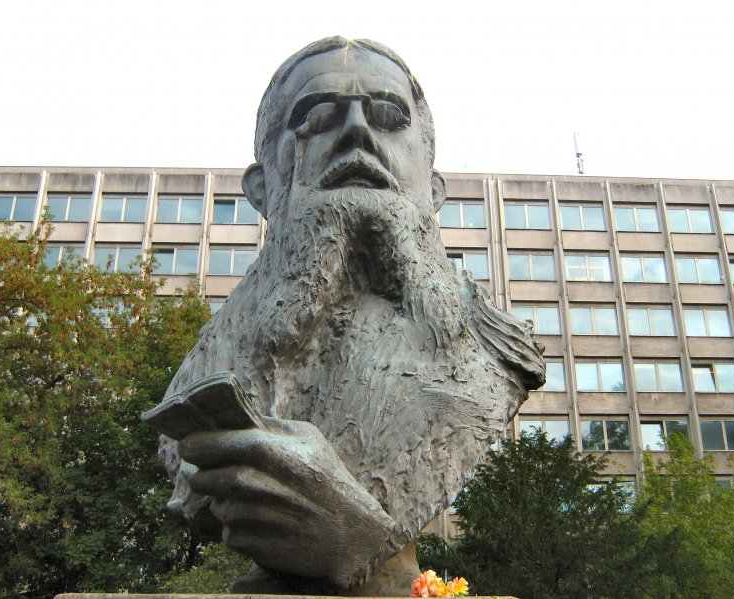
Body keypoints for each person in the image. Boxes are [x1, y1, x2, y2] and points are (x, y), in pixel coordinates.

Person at [150, 36, 544, 595]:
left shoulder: (494, 356)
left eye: (388, 115)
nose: (357, 132)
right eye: (316, 114)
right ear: (263, 187)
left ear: (432, 189)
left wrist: (356, 532)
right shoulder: (202, 377)